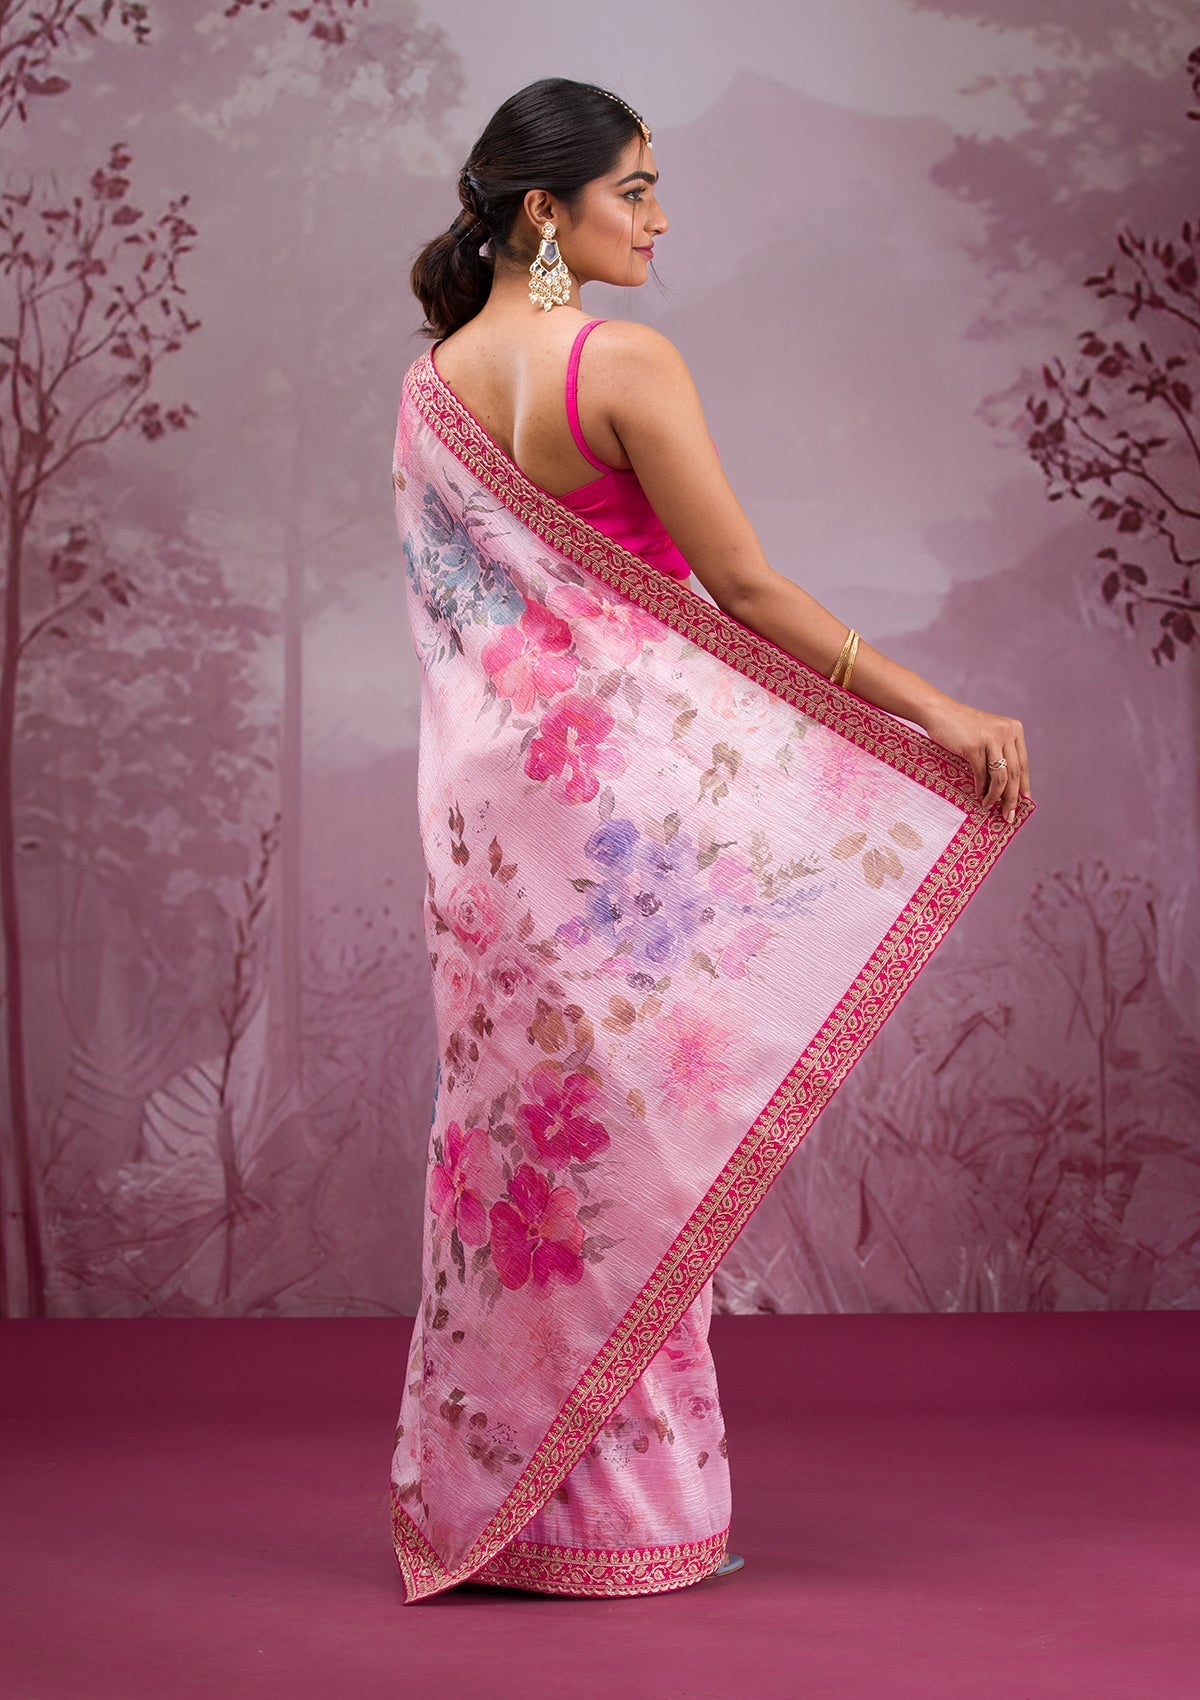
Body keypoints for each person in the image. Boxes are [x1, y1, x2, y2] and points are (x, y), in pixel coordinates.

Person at [388, 76, 1034, 1605]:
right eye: (635, 190)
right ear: (545, 210)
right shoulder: (618, 360)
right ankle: (621, 1521)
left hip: (493, 825)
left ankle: (503, 1502)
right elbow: (741, 591)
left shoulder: (430, 388)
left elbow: (469, 637)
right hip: (627, 824)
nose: (661, 220)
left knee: (514, 1144)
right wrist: (937, 711)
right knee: (634, 1147)